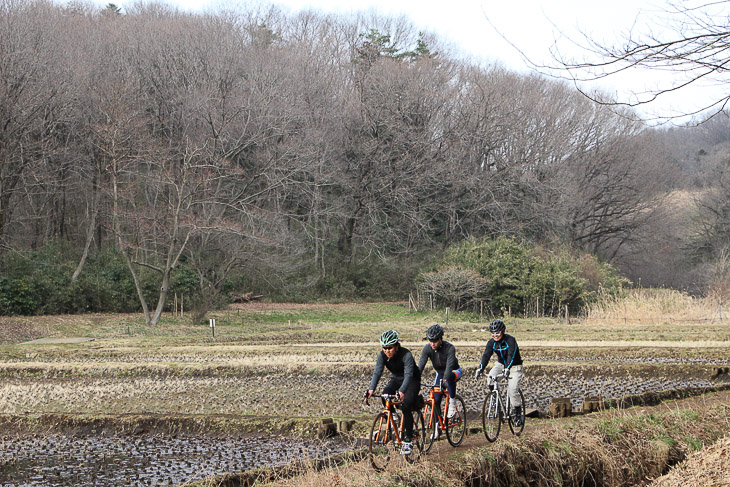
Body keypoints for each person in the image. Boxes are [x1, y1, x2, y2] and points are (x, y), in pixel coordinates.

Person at [366, 329, 422, 455]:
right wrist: (371, 389)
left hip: (412, 379)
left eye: (390, 348)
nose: (387, 351)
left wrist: (402, 391)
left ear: (396, 346)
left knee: (406, 404)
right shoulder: (382, 356)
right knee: (385, 396)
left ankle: (408, 440)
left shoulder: (406, 355)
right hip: (396, 378)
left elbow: (408, 375)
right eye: (384, 348)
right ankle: (395, 419)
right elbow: (377, 372)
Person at [474, 319, 524, 427]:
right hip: (500, 365)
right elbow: (486, 355)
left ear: (503, 331)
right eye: (493, 333)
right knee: (490, 378)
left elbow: (511, 354)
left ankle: (518, 413)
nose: (495, 335)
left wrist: (508, 368)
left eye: (497, 333)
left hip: (514, 366)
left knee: (512, 390)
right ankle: (496, 400)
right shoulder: (491, 342)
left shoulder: (510, 340)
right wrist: (480, 369)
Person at [418, 324, 462, 433]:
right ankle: (438, 424)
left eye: (435, 341)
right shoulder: (427, 348)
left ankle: (452, 402)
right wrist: (415, 378)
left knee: (450, 377)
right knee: (436, 400)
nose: (432, 343)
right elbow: (420, 365)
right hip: (440, 373)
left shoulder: (449, 348)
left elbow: (450, 365)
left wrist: (445, 380)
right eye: (430, 341)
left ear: (440, 339)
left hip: (453, 371)